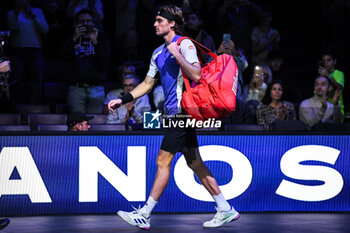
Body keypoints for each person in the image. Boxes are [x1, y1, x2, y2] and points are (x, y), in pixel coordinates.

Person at [108, 5, 239, 229]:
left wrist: (178, 55)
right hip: (173, 113)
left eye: (160, 20)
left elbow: (196, 73)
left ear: (171, 23)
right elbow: (148, 84)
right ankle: (225, 208)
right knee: (195, 162)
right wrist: (125, 98)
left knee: (162, 161)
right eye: (155, 20)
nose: (155, 24)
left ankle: (145, 213)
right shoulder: (158, 52)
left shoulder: (184, 44)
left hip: (183, 112)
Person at [61, 9, 110, 114]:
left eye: (88, 21)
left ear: (93, 22)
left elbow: (105, 62)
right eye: (82, 22)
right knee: (78, 123)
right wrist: (74, 38)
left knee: (95, 123)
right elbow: (63, 57)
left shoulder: (101, 39)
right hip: (76, 87)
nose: (86, 24)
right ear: (76, 24)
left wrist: (95, 42)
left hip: (96, 88)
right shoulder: (71, 39)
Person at [7, 0, 49, 104]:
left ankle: (35, 106)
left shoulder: (37, 11)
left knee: (36, 81)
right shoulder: (12, 13)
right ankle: (17, 107)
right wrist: (16, 14)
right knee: (17, 81)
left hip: (35, 50)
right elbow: (12, 28)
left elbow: (45, 29)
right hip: (17, 50)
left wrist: (32, 14)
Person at [318, 50, 345, 116]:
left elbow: (339, 87)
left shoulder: (339, 73)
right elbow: (317, 94)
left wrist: (328, 76)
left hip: (336, 108)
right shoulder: (321, 76)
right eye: (324, 61)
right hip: (324, 109)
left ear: (334, 61)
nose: (326, 63)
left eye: (328, 60)